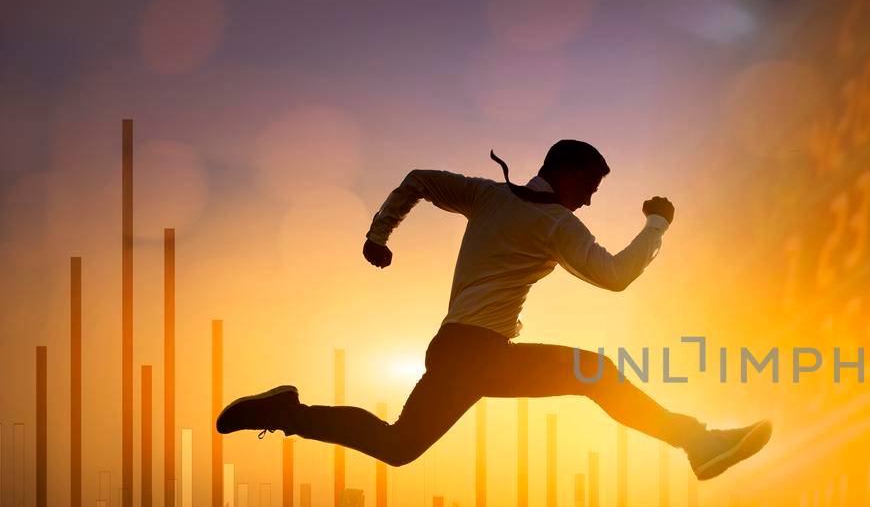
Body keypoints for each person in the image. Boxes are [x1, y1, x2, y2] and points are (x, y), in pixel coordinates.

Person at [216, 139, 770, 481]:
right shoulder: (556, 223)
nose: (592, 199)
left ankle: (283, 411)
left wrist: (379, 234)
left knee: (397, 446)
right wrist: (657, 224)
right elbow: (617, 277)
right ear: (570, 173)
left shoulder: (490, 196)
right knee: (594, 373)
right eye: (593, 186)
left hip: (459, 349)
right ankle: (701, 444)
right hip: (476, 351)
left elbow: (417, 181)